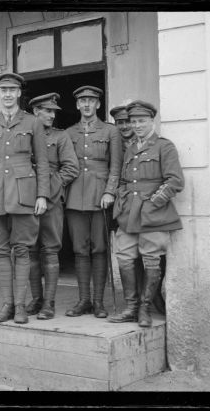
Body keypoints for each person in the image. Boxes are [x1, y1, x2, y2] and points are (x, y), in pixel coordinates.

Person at [0, 73, 50, 324]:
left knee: (22, 249)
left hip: (24, 194)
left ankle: (19, 306)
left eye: (12, 90)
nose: (7, 94)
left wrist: (42, 195)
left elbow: (42, 163)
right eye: (3, 90)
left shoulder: (32, 123)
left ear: (19, 94)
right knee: (1, 251)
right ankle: (7, 304)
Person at [109, 101, 184, 327]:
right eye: (134, 121)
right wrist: (121, 200)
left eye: (142, 121)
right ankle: (131, 307)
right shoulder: (130, 148)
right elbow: (123, 180)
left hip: (154, 215)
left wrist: (154, 203)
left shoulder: (164, 146)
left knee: (151, 258)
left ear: (152, 121)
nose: (137, 125)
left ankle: (144, 308)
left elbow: (175, 181)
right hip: (129, 213)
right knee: (124, 256)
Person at [65, 86, 122, 318]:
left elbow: (116, 166)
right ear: (77, 105)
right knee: (80, 250)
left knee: (99, 249)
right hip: (75, 197)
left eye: (91, 100)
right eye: (82, 101)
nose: (87, 105)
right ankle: (84, 300)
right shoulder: (69, 133)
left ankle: (98, 302)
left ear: (98, 104)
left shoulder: (111, 132)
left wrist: (110, 192)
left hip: (101, 198)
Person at [26, 93, 79, 320]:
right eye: (46, 111)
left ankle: (49, 303)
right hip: (26, 198)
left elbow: (70, 168)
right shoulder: (25, 134)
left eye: (53, 111)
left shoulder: (61, 136)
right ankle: (36, 299)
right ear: (35, 111)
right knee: (29, 250)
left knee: (49, 250)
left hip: (52, 202)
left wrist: (47, 192)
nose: (50, 115)